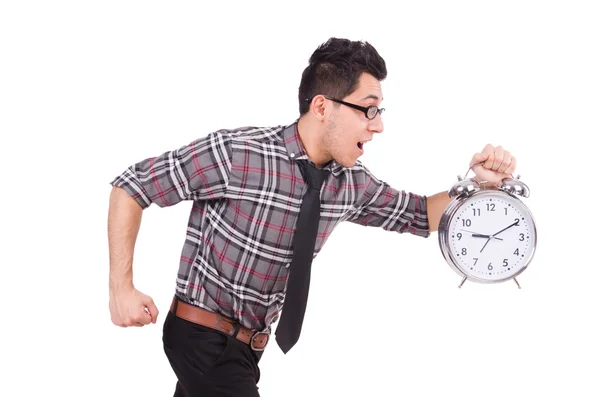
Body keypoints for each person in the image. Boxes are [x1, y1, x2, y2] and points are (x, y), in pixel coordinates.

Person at [107, 37, 517, 396]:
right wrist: (121, 288)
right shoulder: (237, 153)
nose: (379, 126)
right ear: (322, 106)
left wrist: (478, 185)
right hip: (199, 337)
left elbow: (419, 214)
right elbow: (133, 186)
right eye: (368, 110)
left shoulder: (349, 183)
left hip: (249, 351)